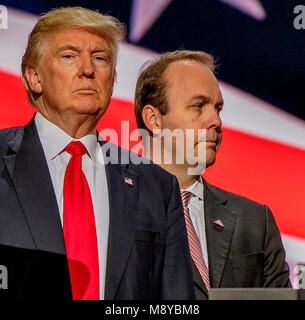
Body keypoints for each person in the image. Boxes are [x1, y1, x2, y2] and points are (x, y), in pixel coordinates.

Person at [0, 8, 195, 300]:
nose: (87, 69)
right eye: (69, 56)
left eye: (100, 58)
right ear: (34, 77)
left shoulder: (157, 187)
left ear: (112, 80)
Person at [134, 50, 291, 300]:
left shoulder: (253, 221)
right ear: (154, 120)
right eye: (198, 106)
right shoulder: (115, 207)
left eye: (217, 108)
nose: (215, 121)